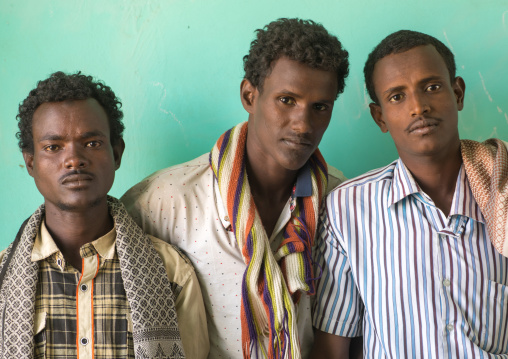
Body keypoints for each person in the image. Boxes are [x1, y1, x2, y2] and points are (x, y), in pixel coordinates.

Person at [122, 18, 349, 359]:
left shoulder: (344, 200)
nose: (303, 125)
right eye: (286, 100)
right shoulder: (166, 200)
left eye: (320, 107)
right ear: (249, 95)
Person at [311, 30, 508, 358]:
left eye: (432, 87)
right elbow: (332, 347)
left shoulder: (501, 192)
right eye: (397, 97)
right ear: (380, 117)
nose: (419, 107)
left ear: (457, 93)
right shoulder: (348, 209)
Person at [0, 71, 208, 358]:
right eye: (53, 147)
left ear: (117, 154)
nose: (74, 159)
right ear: (31, 163)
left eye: (92, 143)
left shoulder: (171, 272)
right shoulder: (2, 279)